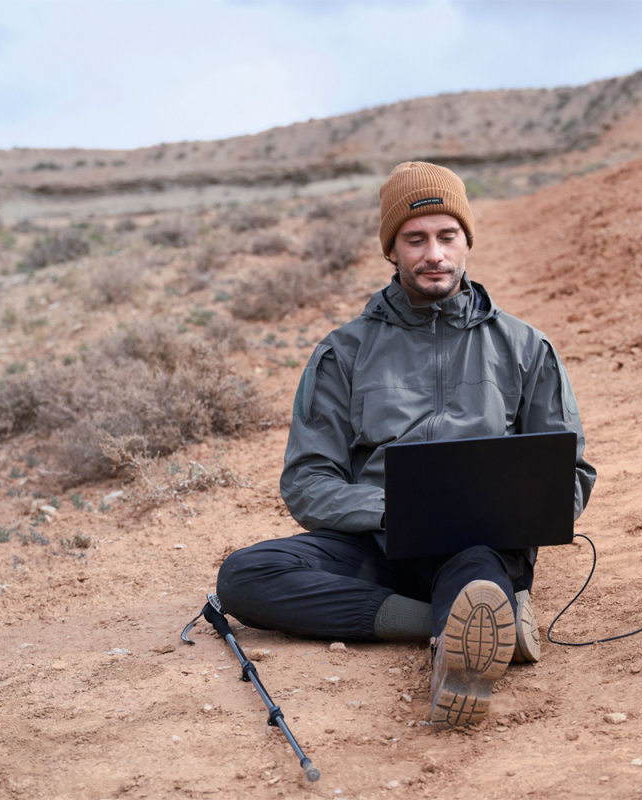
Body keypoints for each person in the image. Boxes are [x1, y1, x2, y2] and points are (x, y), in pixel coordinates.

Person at [216, 161, 595, 728]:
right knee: (245, 576)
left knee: (475, 569)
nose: (433, 254)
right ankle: (455, 626)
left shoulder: (525, 346)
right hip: (375, 546)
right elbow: (307, 482)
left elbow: (570, 474)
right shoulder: (342, 353)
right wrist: (395, 510)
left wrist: (506, 517)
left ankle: (464, 643)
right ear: (391, 250)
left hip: (478, 546)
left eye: (447, 237)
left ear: (467, 241)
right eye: (414, 239)